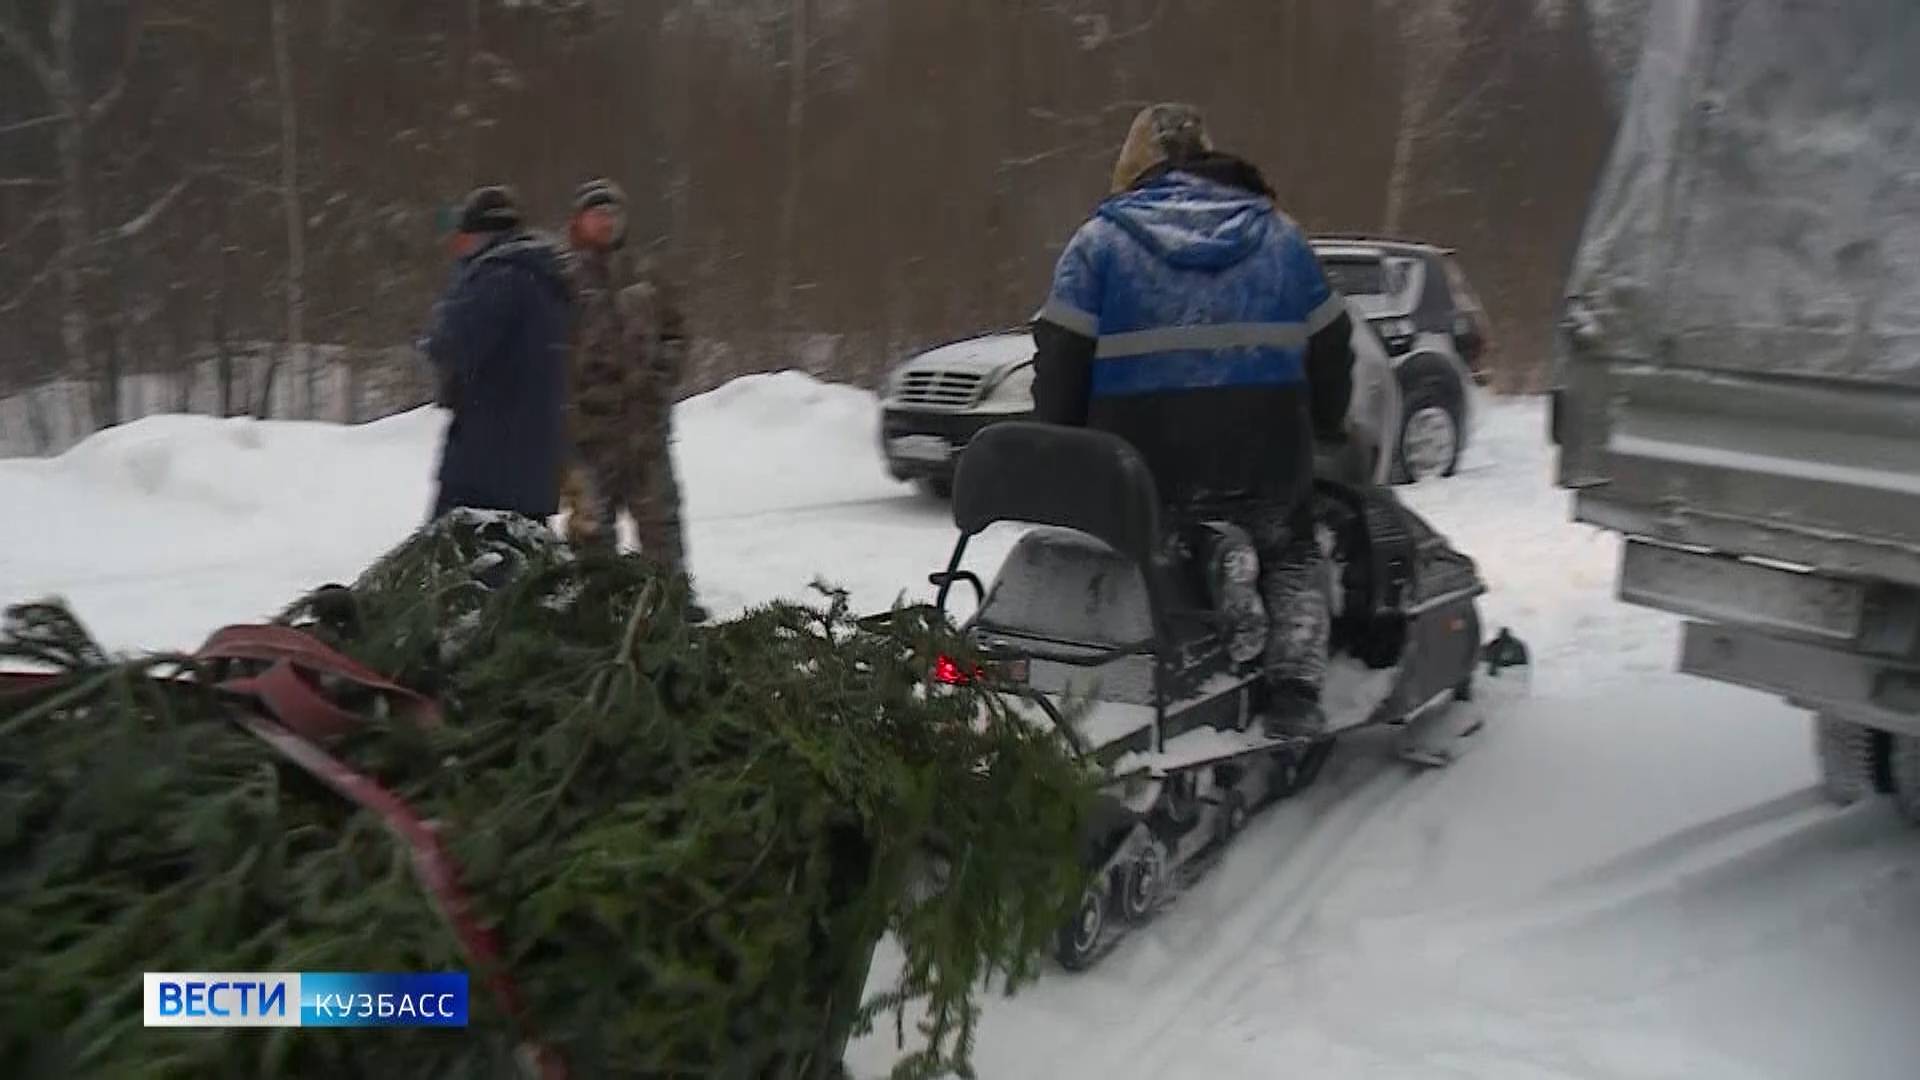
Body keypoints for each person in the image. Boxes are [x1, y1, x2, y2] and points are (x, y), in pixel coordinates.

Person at [1030, 104, 1356, 738]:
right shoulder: (1281, 238)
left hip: (1144, 466)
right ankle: (1293, 690)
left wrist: (1064, 443)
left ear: (1131, 168)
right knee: (1291, 548)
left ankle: (1207, 547)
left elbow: (1060, 362)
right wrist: (1327, 424)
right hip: (1266, 456)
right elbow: (1334, 345)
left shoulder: (1098, 244)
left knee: (1162, 527)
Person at [558, 179, 695, 588]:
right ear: (580, 221)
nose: (606, 222)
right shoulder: (563, 280)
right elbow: (550, 352)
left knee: (662, 526)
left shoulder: (647, 274)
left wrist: (661, 376)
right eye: (597, 215)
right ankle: (598, 611)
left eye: (612, 215)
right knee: (591, 533)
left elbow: (677, 332)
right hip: (590, 436)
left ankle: (671, 602)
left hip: (646, 431)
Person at [421, 184, 573, 523]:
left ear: (481, 235)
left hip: (486, 463)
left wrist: (454, 298)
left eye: (463, 239)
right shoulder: (549, 279)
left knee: (454, 563)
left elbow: (450, 344)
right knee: (528, 563)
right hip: (538, 465)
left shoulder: (496, 278)